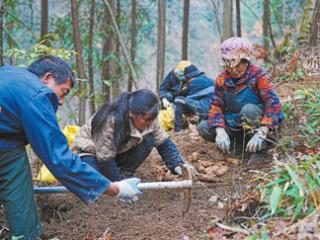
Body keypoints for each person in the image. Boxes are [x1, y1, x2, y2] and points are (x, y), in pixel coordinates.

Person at [0, 56, 142, 239]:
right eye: (63, 92)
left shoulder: (9, 73)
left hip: (6, 144)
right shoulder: (37, 94)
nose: (60, 102)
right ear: (47, 78)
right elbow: (59, 159)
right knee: (16, 178)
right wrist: (114, 188)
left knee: (15, 168)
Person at [72, 89, 189, 182]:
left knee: (149, 138)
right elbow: (105, 159)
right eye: (146, 119)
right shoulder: (110, 121)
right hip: (93, 154)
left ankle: (125, 174)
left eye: (152, 119)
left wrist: (178, 165)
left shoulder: (149, 120)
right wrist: (119, 185)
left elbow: (164, 143)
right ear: (131, 113)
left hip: (117, 153)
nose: (149, 123)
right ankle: (118, 179)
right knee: (94, 179)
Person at [198, 37, 284, 154]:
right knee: (203, 127)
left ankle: (260, 149)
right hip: (234, 123)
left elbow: (273, 103)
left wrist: (262, 131)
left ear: (246, 61)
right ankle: (237, 148)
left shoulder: (259, 75)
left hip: (257, 123)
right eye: (229, 65)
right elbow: (216, 106)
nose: (233, 70)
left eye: (237, 65)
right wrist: (220, 131)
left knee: (248, 110)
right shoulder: (221, 79)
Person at [160, 61, 214, 132]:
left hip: (208, 108)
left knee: (179, 100)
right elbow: (163, 88)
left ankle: (178, 129)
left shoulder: (195, 83)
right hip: (214, 106)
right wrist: (165, 99)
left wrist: (174, 107)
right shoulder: (205, 79)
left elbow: (188, 100)